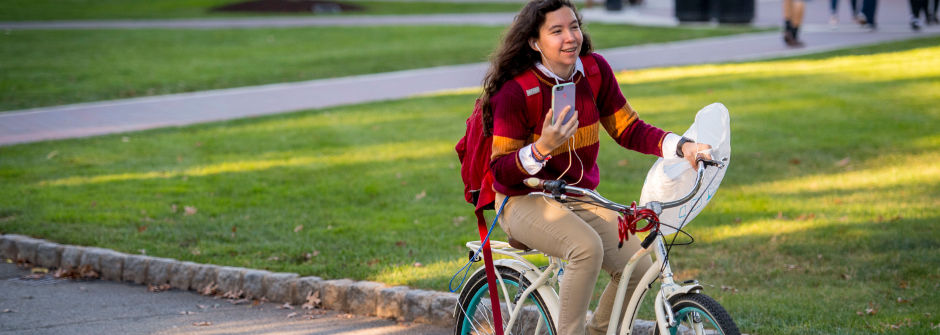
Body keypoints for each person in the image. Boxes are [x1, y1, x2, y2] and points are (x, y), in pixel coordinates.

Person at [479, 0, 711, 334]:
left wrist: (682, 146)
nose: (570, 37)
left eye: (573, 26)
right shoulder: (516, 91)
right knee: (585, 248)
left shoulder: (594, 70)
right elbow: (501, 173)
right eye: (556, 31)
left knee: (639, 265)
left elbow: (629, 128)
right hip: (520, 200)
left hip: (577, 195)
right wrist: (543, 147)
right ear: (535, 42)